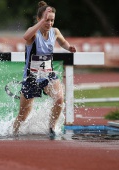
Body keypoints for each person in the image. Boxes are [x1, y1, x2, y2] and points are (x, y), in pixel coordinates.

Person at [13, 1, 76, 138]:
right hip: (31, 78)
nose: (49, 23)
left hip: (48, 75)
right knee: (23, 114)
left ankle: (52, 127)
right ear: (39, 19)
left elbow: (62, 41)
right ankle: (14, 133)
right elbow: (25, 36)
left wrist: (69, 47)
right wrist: (41, 23)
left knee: (59, 99)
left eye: (52, 20)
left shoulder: (55, 31)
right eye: (47, 20)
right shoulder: (34, 34)